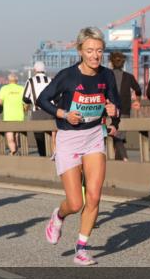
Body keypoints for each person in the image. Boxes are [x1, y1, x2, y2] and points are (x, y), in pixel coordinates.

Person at [38, 27, 120, 266]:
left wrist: (114, 115)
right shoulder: (68, 76)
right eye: (90, 50)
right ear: (80, 51)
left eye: (99, 51)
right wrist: (63, 113)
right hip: (68, 137)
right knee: (76, 203)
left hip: (94, 136)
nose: (95, 55)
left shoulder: (106, 76)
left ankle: (82, 248)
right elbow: (43, 99)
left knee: (94, 196)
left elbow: (115, 104)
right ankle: (58, 216)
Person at [107, 52, 142, 161]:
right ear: (123, 63)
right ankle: (120, 161)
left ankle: (124, 157)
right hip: (125, 110)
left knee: (114, 136)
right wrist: (137, 100)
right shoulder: (129, 77)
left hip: (109, 111)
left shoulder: (106, 75)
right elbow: (138, 90)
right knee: (119, 136)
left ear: (111, 63)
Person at [22, 61, 53, 157]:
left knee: (40, 139)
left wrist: (31, 101)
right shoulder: (50, 80)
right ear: (44, 70)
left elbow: (25, 98)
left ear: (34, 70)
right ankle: (53, 156)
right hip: (51, 112)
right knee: (52, 137)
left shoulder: (31, 81)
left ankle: (43, 156)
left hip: (37, 112)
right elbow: (57, 97)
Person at [0, 72, 25, 155]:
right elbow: (26, 103)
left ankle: (13, 152)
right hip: (19, 116)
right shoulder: (21, 88)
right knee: (16, 136)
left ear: (8, 80)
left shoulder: (4, 88)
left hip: (8, 116)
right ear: (17, 80)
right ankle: (16, 150)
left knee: (10, 137)